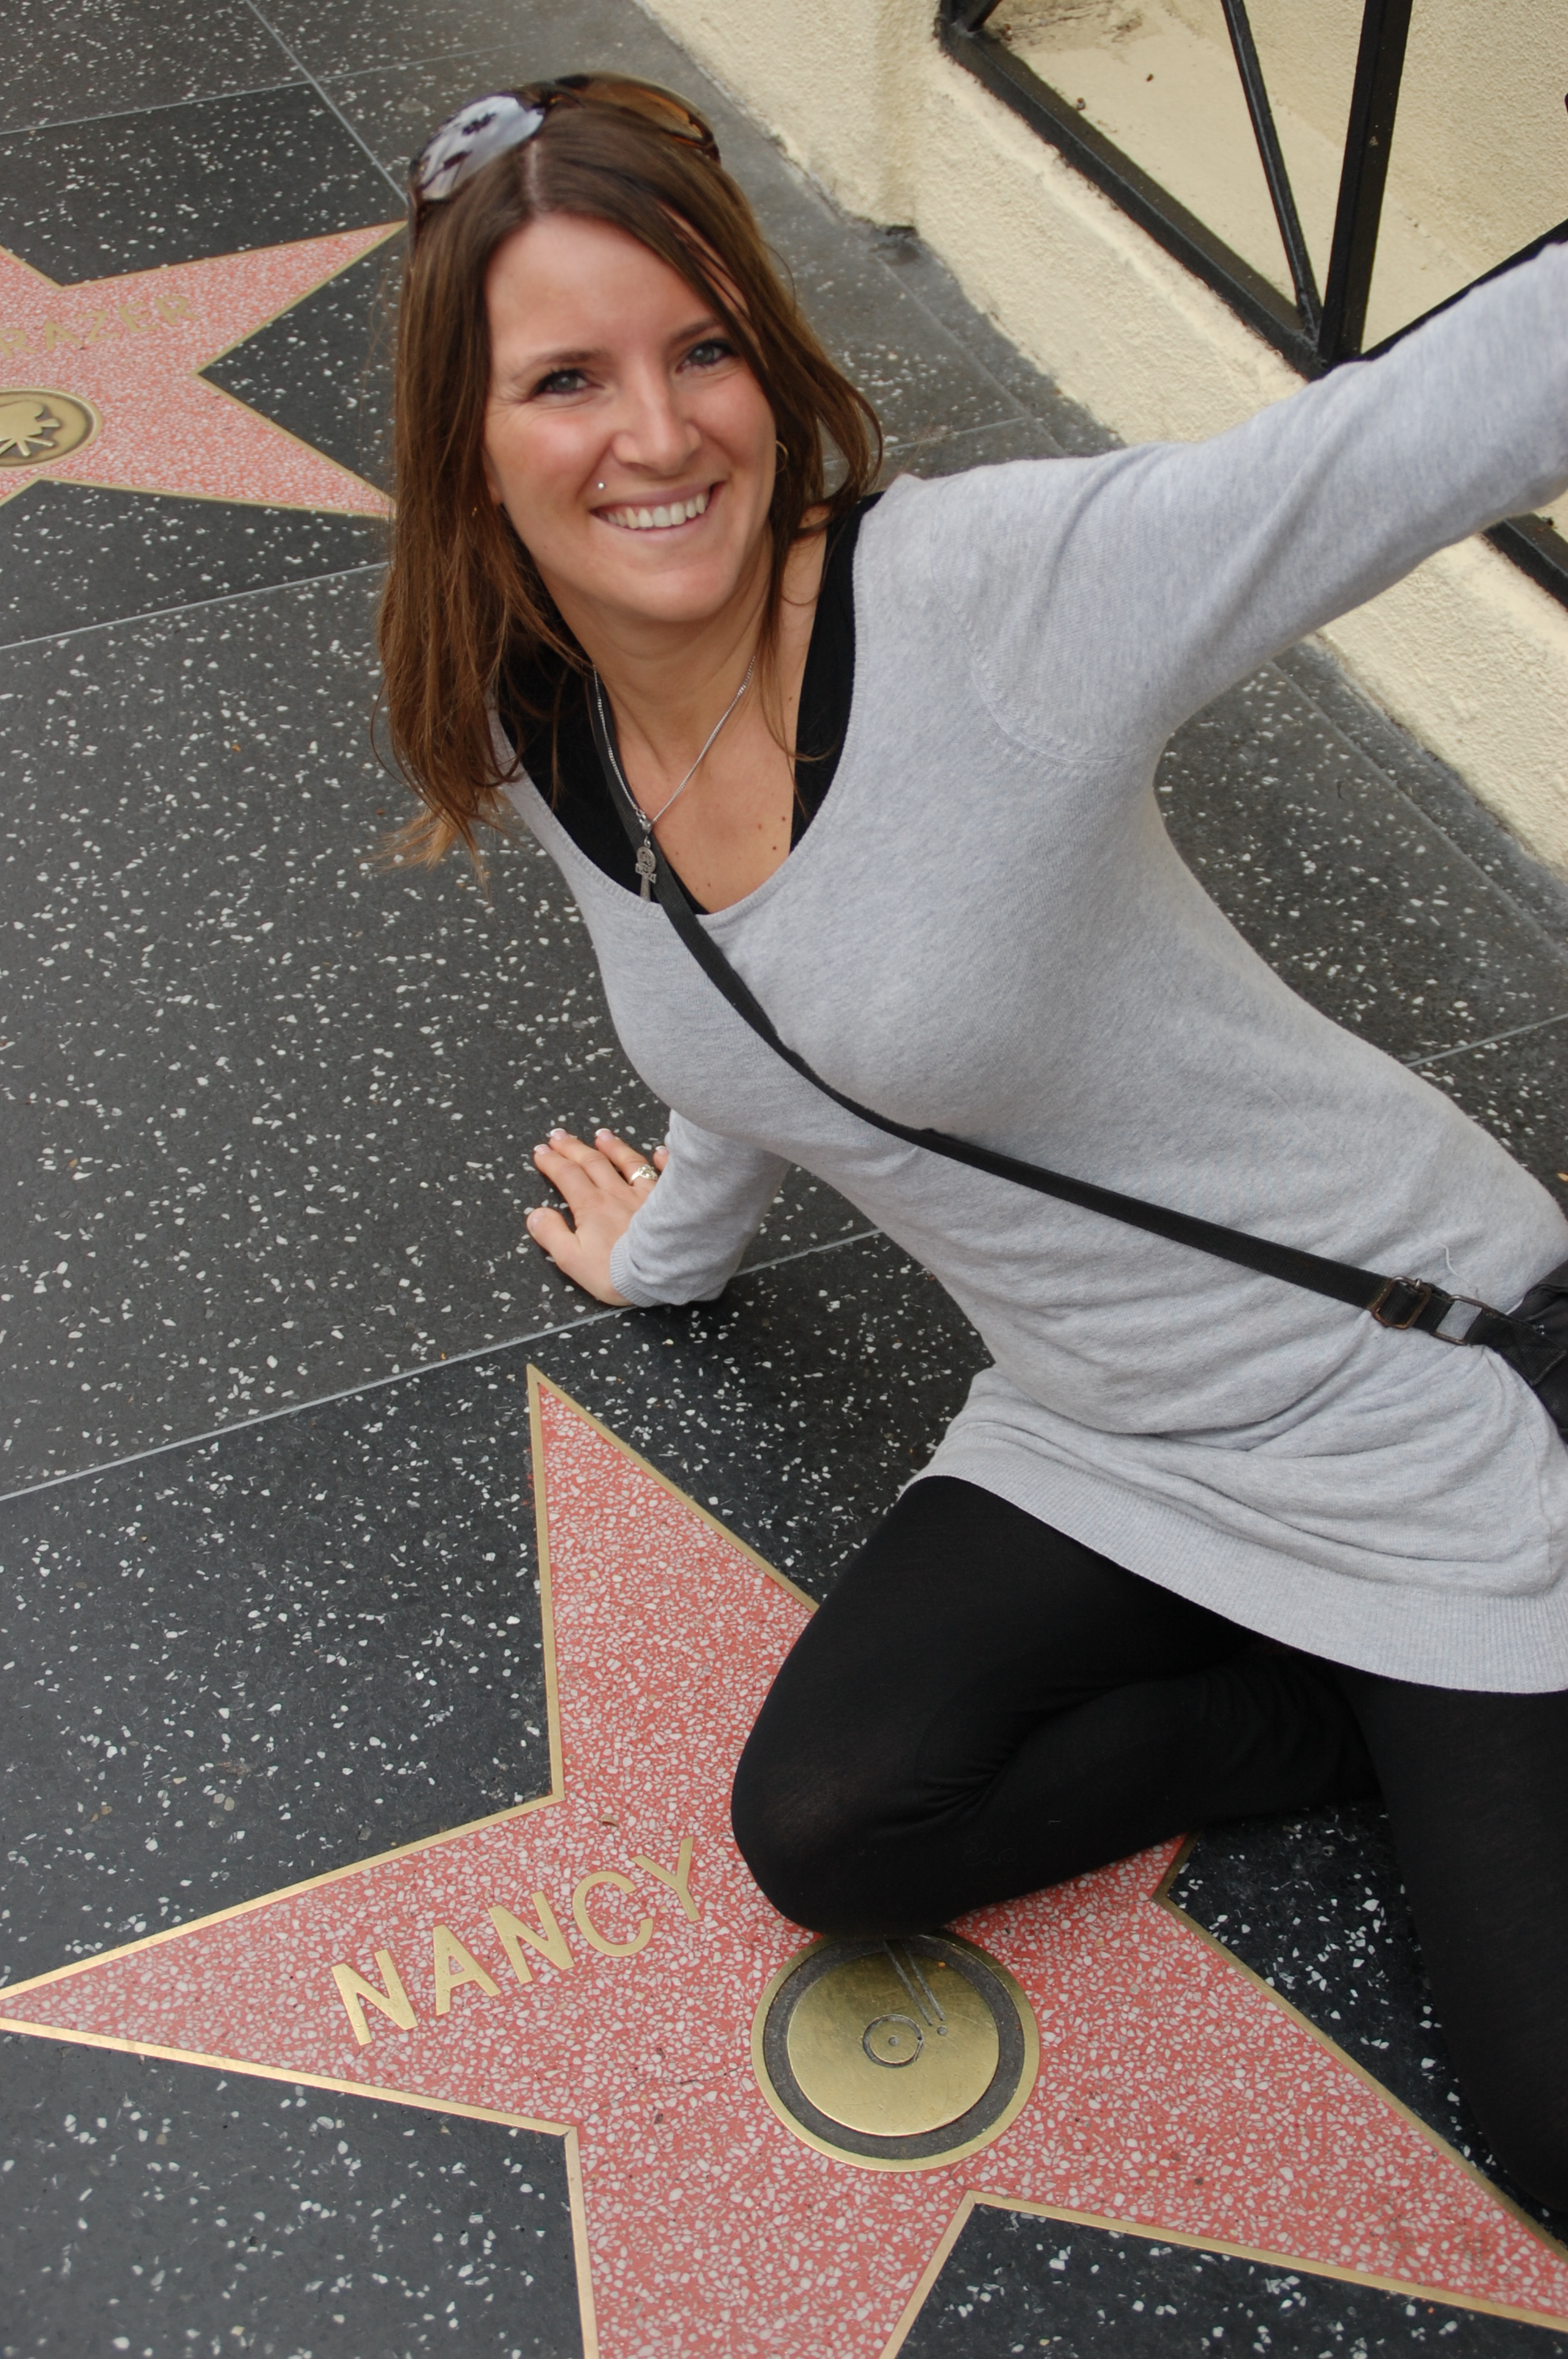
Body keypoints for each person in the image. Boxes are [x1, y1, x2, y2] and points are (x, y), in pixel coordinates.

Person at [378, 74, 1568, 2208]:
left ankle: (1418, 1679)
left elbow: (1398, 436)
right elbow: (755, 1011)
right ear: (464, 438)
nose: (656, 436)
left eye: (703, 348)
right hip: (1102, 1423)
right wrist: (667, 1255)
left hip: (1415, 1376)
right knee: (831, 1831)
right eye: (566, 379)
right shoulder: (532, 707)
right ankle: (1334, 1716)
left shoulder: (994, 597)